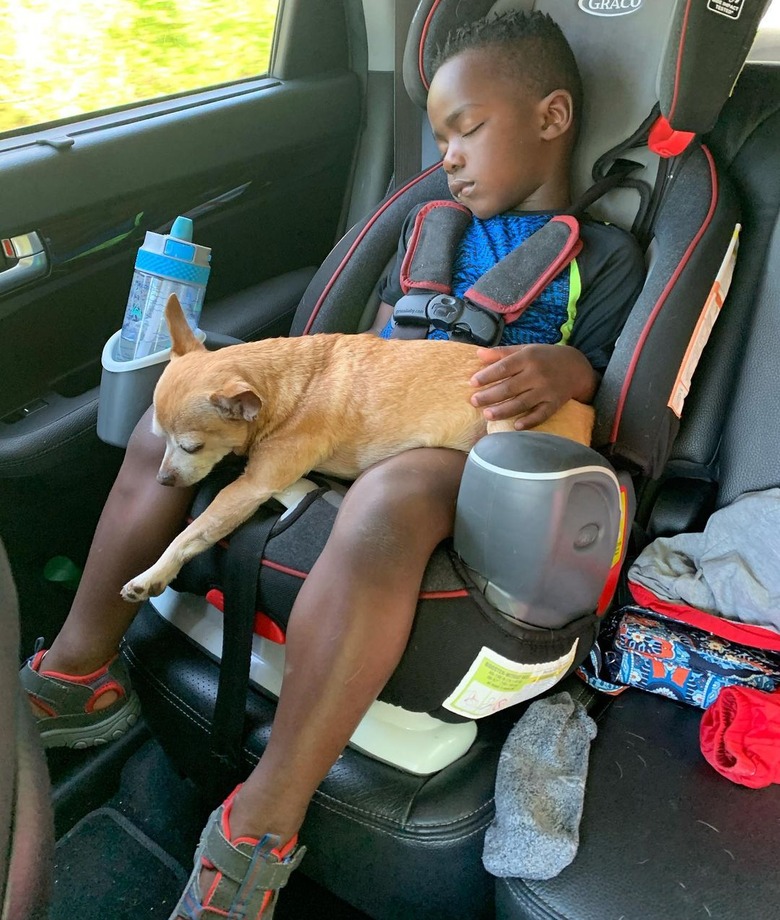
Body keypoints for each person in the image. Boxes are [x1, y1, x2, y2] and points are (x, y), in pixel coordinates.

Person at [20, 10, 645, 918]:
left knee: (388, 497)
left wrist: (568, 365)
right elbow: (347, 349)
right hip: (346, 420)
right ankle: (80, 673)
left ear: (552, 118)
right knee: (174, 426)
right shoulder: (422, 227)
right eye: (438, 137)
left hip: (467, 462)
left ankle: (259, 824)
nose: (451, 157)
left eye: (467, 130)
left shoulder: (609, 256)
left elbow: (619, 412)